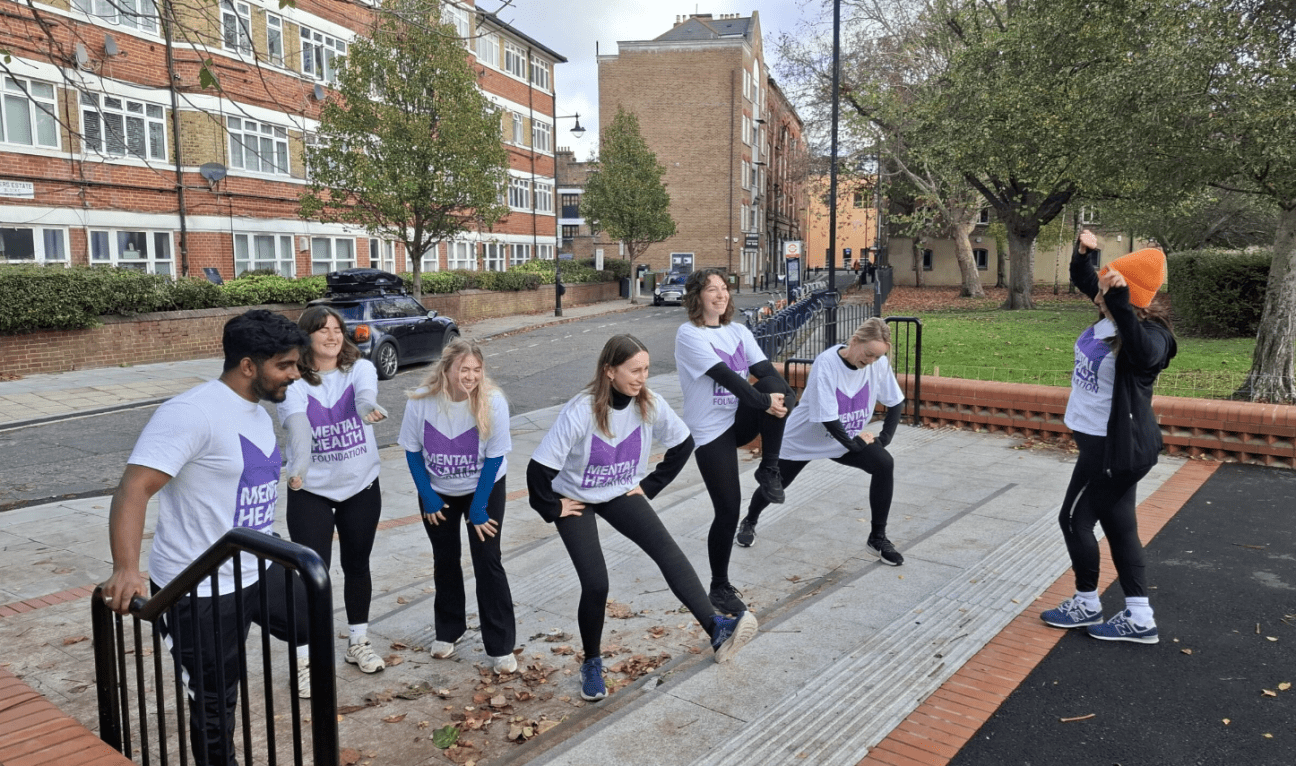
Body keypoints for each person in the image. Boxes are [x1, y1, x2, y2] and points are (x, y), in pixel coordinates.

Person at [101, 309, 313, 766]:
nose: (296, 375)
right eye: (286, 365)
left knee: (310, 616)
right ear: (248, 365)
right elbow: (133, 487)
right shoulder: (191, 412)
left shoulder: (257, 410)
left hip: (252, 564)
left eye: (297, 364)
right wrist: (126, 568)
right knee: (216, 700)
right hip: (197, 585)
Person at [528, 334, 759, 701]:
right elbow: (537, 469)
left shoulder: (649, 404)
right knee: (596, 582)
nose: (641, 377)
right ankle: (591, 662)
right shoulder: (580, 411)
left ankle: (716, 628)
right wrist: (551, 507)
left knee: (668, 551)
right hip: (575, 497)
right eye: (634, 370)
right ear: (609, 371)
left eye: (646, 369)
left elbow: (683, 443)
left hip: (620, 491)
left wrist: (649, 486)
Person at [1041, 230, 1176, 644]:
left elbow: (1143, 354)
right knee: (1120, 528)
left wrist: (1120, 303)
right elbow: (1088, 280)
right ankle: (1139, 616)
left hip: (1114, 450)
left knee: (1073, 520)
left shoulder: (1150, 338)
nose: (1096, 298)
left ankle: (1086, 601)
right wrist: (1087, 256)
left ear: (1127, 298)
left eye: (1106, 293)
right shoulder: (1108, 315)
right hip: (1105, 446)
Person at [736, 318, 907, 564]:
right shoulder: (826, 363)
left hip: (844, 439)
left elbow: (896, 401)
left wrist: (884, 439)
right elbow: (828, 419)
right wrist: (854, 443)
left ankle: (877, 538)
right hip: (803, 440)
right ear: (854, 341)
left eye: (877, 357)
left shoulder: (877, 365)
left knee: (884, 463)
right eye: (869, 354)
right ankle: (750, 520)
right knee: (776, 486)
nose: (871, 361)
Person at [675, 267, 795, 615]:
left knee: (776, 388)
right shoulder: (689, 334)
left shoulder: (738, 331)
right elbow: (727, 378)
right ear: (697, 297)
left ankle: (769, 470)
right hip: (710, 432)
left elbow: (767, 373)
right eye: (711, 289)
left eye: (724, 288)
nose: (720, 294)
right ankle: (719, 587)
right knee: (728, 510)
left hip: (738, 421)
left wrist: (786, 397)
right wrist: (767, 402)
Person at [277, 305, 387, 674]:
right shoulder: (293, 381)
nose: (332, 335)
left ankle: (358, 642)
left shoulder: (360, 368)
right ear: (305, 337)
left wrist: (368, 407)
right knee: (312, 573)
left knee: (358, 564)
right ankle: (306, 659)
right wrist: (300, 467)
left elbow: (363, 396)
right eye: (322, 329)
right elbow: (298, 425)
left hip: (360, 485)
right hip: (310, 489)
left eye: (337, 328)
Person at [399, 338, 518, 673]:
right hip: (438, 489)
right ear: (447, 369)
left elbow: (495, 458)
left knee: (487, 559)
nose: (470, 375)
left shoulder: (493, 402)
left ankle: (501, 646)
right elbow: (411, 451)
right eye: (464, 369)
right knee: (445, 558)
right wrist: (428, 495)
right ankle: (449, 630)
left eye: (476, 369)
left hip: (484, 486)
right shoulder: (422, 402)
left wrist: (479, 509)